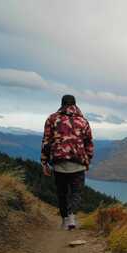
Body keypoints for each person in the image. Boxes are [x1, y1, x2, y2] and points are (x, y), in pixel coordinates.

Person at [41, 95, 94, 230]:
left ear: (61, 104)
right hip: (78, 163)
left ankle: (64, 219)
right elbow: (88, 142)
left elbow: (46, 141)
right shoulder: (83, 121)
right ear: (75, 104)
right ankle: (72, 216)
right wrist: (88, 160)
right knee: (76, 192)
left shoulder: (52, 119)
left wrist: (44, 162)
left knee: (62, 193)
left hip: (59, 163)